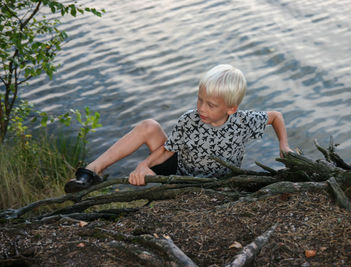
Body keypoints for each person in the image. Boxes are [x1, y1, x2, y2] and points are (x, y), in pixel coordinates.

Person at [64, 64, 292, 193]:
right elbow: (167, 150)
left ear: (231, 109)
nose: (201, 108)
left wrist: (284, 145)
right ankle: (90, 173)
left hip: (211, 184)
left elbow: (276, 117)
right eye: (199, 99)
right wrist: (143, 165)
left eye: (211, 105)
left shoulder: (243, 122)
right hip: (179, 170)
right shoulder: (189, 120)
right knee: (150, 126)